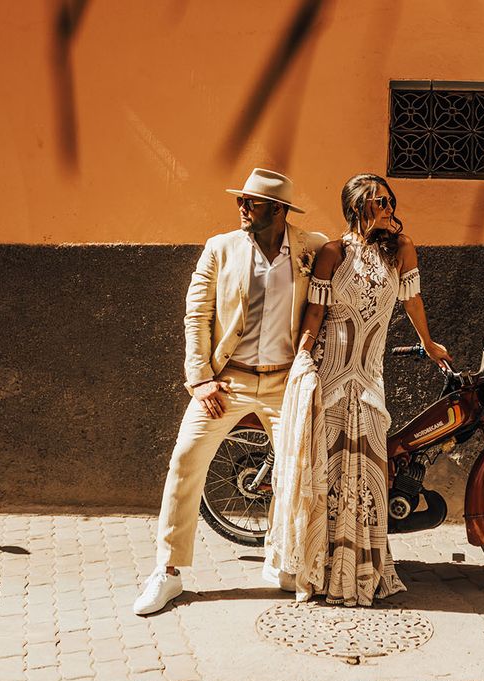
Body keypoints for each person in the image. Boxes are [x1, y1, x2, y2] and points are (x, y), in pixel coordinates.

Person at [134, 168, 327, 615]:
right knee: (185, 458)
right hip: (228, 380)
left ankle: (285, 562)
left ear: (278, 211)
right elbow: (196, 316)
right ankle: (167, 571)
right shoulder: (220, 249)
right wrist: (199, 378)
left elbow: (347, 268)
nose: (241, 209)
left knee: (297, 474)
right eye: (240, 201)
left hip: (285, 381)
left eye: (252, 203)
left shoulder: (311, 248)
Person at [264, 173, 450, 607]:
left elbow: (412, 302)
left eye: (389, 200)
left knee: (367, 472)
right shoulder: (333, 252)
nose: (387, 208)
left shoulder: (401, 250)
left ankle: (362, 566)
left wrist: (428, 342)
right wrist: (303, 355)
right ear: (355, 207)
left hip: (368, 376)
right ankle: (323, 568)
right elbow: (316, 311)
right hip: (330, 373)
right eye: (377, 202)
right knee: (327, 471)